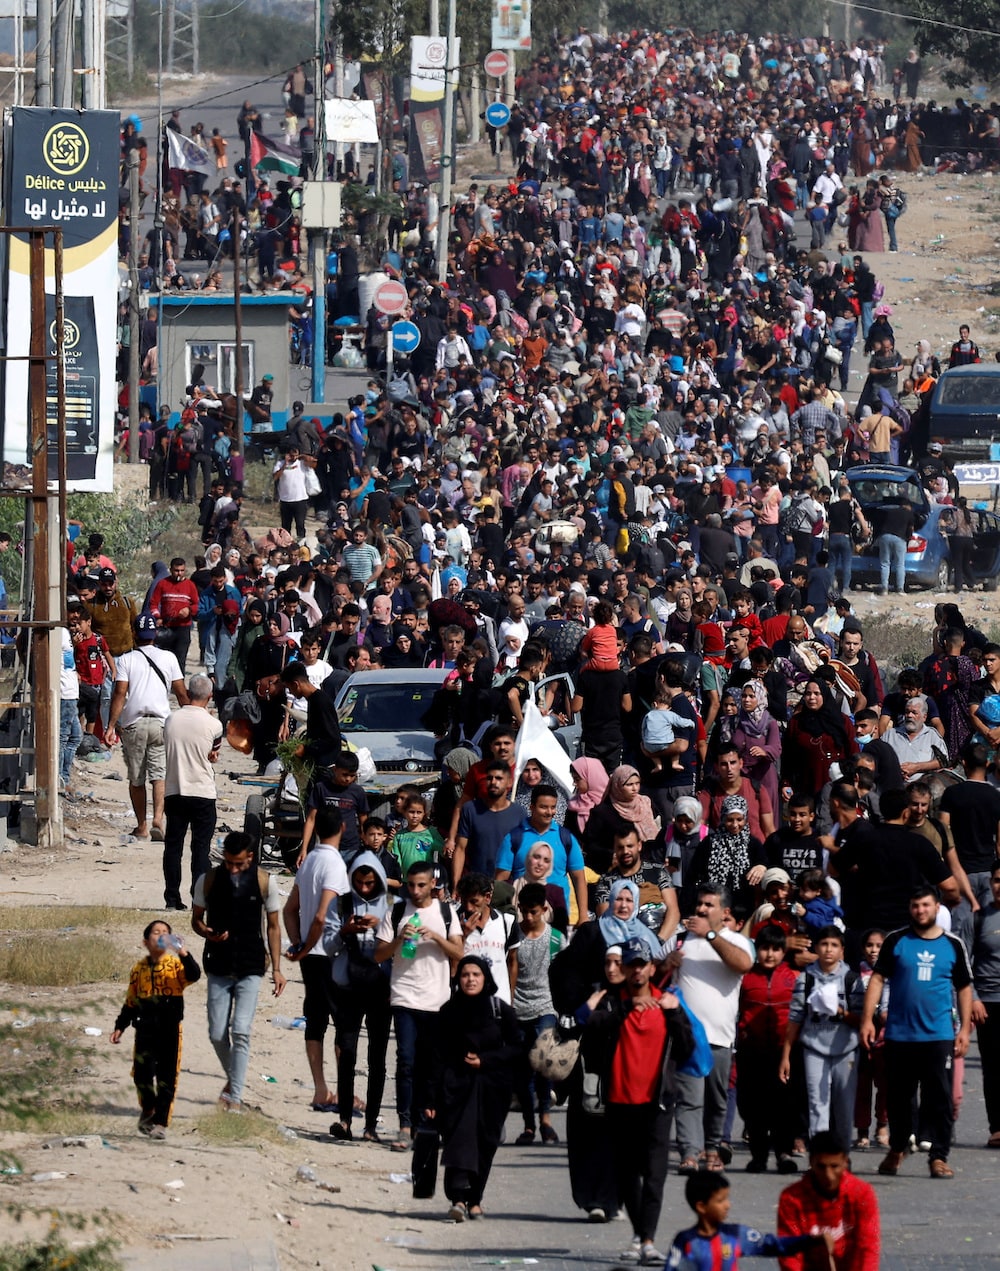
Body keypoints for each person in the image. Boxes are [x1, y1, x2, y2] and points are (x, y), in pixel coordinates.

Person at [591, 936, 692, 1266]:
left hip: (657, 1103)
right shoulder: (611, 1001)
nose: (636, 971)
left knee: (655, 1174)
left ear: (651, 967)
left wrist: (675, 1015)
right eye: (631, 964)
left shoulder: (667, 1002)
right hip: (620, 1101)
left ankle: (647, 1239)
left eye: (642, 964)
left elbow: (686, 1049)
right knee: (626, 1174)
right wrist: (626, 1009)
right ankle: (639, 1235)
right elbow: (591, 1029)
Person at [862, 885, 973, 1180]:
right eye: (915, 905)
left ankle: (939, 1156)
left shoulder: (952, 944)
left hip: (938, 1036)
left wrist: (963, 1030)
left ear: (937, 907)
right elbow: (877, 979)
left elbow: (963, 988)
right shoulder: (897, 941)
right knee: (898, 1097)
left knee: (940, 1098)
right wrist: (867, 1019)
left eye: (925, 905)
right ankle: (897, 1149)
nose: (920, 910)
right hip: (899, 1034)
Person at [191, 830, 286, 1113]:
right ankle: (234, 1082)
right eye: (229, 863)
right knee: (217, 1033)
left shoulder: (265, 881)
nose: (233, 869)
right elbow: (196, 919)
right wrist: (207, 932)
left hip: (251, 964)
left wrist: (278, 969)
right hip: (218, 964)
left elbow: (273, 926)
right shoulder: (207, 880)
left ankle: (234, 1096)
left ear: (251, 858)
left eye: (239, 863)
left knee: (241, 1030)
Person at [374, 859, 464, 1150]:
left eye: (421, 885)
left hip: (437, 1000)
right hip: (404, 995)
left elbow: (459, 953)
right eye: (411, 885)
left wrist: (436, 937)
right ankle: (404, 1125)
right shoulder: (397, 910)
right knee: (406, 1060)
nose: (415, 890)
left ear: (432, 885)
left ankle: (425, 1123)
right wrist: (400, 939)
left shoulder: (445, 912)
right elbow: (378, 955)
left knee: (430, 1065)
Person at [667, 883, 754, 1175]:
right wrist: (668, 963)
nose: (702, 909)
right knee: (689, 1099)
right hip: (687, 1035)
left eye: (709, 905)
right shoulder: (682, 939)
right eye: (700, 903)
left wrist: (711, 935)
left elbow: (743, 964)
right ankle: (689, 1153)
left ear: (725, 911)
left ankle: (713, 1147)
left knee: (717, 1099)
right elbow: (659, 975)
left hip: (720, 1036)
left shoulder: (737, 941)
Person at [432, 955, 522, 1221]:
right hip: (456, 1088)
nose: (470, 980)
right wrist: (429, 1099)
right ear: (458, 979)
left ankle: (476, 1200)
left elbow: (517, 1048)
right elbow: (435, 1056)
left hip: (493, 1090)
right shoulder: (449, 1011)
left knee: (485, 1143)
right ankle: (458, 1198)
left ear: (485, 978)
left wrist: (486, 1061)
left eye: (476, 975)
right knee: (458, 1140)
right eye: (465, 975)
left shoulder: (500, 1011)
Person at [283, 807, 350, 1113]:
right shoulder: (334, 863)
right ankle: (341, 1091)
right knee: (343, 1023)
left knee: (315, 1020)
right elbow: (322, 916)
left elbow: (289, 909)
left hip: (311, 954)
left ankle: (321, 1088)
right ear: (344, 828)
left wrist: (297, 943)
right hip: (327, 953)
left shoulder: (309, 859)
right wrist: (306, 946)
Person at [324, 850, 393, 1141]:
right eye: (359, 882)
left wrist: (384, 932)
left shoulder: (392, 905)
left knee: (376, 1058)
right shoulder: (340, 904)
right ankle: (345, 1120)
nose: (364, 888)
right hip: (349, 987)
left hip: (381, 988)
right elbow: (327, 946)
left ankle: (371, 1126)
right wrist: (345, 930)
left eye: (370, 883)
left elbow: (406, 948)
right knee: (347, 1053)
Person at [110, 918, 202, 1139]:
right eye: (155, 932)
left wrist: (183, 952)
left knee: (167, 1076)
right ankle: (148, 1108)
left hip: (170, 1029)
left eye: (165, 932)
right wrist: (120, 1026)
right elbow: (131, 1000)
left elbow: (194, 975)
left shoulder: (175, 965)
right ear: (145, 942)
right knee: (141, 1074)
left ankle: (161, 1122)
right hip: (144, 1029)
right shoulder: (138, 969)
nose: (160, 935)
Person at [105, 613, 188, 850]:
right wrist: (194, 716)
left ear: (134, 634)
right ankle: (158, 820)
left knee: (136, 777)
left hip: (134, 724)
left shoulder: (126, 660)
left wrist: (111, 725)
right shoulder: (169, 658)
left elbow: (120, 692)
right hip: (162, 723)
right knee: (159, 774)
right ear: (155, 634)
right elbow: (181, 693)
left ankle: (142, 826)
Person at [779, 926, 862, 1145]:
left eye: (834, 945)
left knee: (844, 1105)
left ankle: (842, 1155)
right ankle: (819, 1156)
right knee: (817, 1102)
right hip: (814, 1047)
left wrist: (841, 1012)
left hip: (846, 1050)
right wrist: (786, 1055)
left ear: (842, 950)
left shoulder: (852, 979)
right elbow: (795, 1017)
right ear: (816, 948)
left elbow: (862, 1019)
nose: (828, 950)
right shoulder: (806, 979)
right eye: (824, 944)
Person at [668, 1170, 834, 1270]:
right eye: (720, 1201)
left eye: (727, 1199)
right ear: (701, 1207)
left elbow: (773, 1245)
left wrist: (809, 1240)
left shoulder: (735, 1235)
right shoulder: (686, 1241)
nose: (727, 1205)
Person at [776, 1130, 881, 1270]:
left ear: (845, 1162)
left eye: (834, 1166)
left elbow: (867, 1247)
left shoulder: (862, 1194)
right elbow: (789, 1253)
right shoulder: (792, 1198)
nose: (828, 1175)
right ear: (811, 1162)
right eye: (821, 1166)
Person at [162, 674, 221, 912]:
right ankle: (199, 897)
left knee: (173, 847)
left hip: (175, 789)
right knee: (200, 848)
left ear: (188, 692)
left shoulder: (171, 719)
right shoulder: (214, 725)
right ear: (209, 696)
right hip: (202, 791)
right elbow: (213, 753)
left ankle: (172, 897)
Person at [970, 858, 1000, 1148]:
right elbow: (965, 962)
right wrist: (974, 999)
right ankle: (997, 1127)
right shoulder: (979, 916)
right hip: (988, 1002)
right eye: (998, 880)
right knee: (992, 1068)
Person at [150, 557, 199, 672]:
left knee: (180, 659)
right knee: (165, 659)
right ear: (171, 570)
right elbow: (153, 604)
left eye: (182, 570)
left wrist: (189, 610)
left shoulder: (190, 585)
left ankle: (178, 687)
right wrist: (158, 617)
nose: (179, 573)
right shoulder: (162, 584)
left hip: (183, 628)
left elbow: (197, 605)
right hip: (167, 627)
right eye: (176, 570)